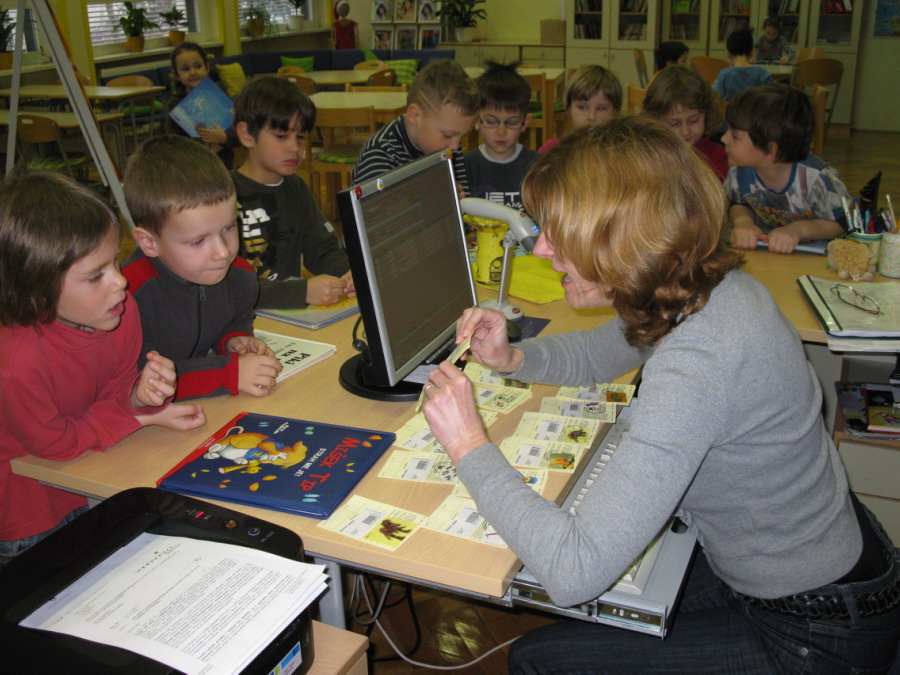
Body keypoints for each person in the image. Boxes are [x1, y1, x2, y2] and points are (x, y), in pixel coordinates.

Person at [419, 116, 900, 674]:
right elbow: (598, 353)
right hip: (817, 562)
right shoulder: (700, 288)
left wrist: (468, 444)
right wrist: (513, 358)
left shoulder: (700, 358)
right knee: (600, 610)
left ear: (624, 240)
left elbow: (574, 571)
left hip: (815, 625)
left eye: (558, 232)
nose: (542, 248)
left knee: (540, 659)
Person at [0, 171, 207, 566]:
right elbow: (54, 445)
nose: (120, 282)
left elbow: (115, 388)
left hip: (93, 476)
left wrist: (138, 395)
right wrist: (140, 418)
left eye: (114, 261)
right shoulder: (16, 364)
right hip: (30, 514)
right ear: (36, 293)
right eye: (95, 275)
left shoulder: (119, 311)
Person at [122, 136, 282, 400]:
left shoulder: (239, 275)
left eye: (228, 228)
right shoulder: (127, 298)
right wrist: (227, 374)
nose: (223, 252)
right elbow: (137, 383)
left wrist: (233, 340)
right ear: (149, 243)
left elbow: (235, 318)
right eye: (198, 241)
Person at [232, 77, 354, 310]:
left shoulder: (296, 187)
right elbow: (229, 285)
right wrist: (302, 291)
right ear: (246, 134)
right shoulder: (221, 196)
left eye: (300, 136)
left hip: (286, 314)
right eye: (281, 136)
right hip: (239, 318)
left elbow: (322, 249)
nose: (295, 148)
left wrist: (347, 273)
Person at [724, 84, 850, 253]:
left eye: (735, 136)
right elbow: (738, 203)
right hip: (764, 252)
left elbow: (842, 223)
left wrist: (799, 230)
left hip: (811, 257)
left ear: (771, 150)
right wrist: (743, 222)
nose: (724, 138)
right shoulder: (740, 171)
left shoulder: (817, 178)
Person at [351, 59, 479, 193]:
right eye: (447, 135)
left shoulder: (449, 144)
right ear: (415, 116)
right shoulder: (380, 154)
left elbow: (462, 194)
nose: (456, 146)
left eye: (462, 137)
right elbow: (375, 206)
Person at [464, 61, 539, 211]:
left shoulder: (538, 167)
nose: (501, 132)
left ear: (525, 122)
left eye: (512, 122)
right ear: (476, 120)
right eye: (491, 121)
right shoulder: (464, 167)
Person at [643, 65, 728, 181]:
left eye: (694, 120)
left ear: (707, 114)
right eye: (674, 124)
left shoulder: (716, 155)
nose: (685, 132)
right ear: (656, 122)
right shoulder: (648, 156)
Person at [165, 42, 235, 169]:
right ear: (176, 75)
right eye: (185, 69)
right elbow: (173, 141)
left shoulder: (219, 96)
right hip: (194, 167)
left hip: (224, 163)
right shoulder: (175, 104)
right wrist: (203, 146)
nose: (193, 72)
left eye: (198, 66)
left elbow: (240, 132)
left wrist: (224, 138)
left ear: (207, 68)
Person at [538, 65, 620, 154]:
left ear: (615, 111)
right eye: (582, 107)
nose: (591, 117)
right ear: (569, 108)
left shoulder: (621, 154)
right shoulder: (553, 151)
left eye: (601, 108)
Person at [713, 29, 774, 102]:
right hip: (756, 109)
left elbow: (714, 98)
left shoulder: (725, 75)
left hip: (733, 109)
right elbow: (773, 96)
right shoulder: (762, 73)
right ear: (752, 52)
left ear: (728, 53)